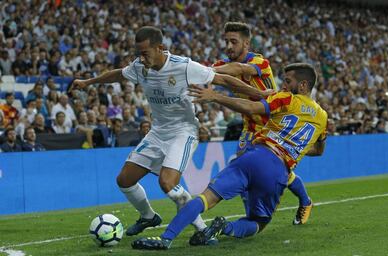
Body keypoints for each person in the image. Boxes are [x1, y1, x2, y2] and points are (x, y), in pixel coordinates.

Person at [72, 26, 269, 238]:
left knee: (167, 182)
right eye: (138, 53)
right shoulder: (140, 66)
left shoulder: (184, 66)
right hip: (157, 132)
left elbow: (224, 79)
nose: (141, 58)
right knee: (124, 180)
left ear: (160, 48)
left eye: (145, 53)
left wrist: (261, 94)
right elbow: (118, 74)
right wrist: (88, 82)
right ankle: (148, 216)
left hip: (184, 131)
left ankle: (203, 230)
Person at [131, 63, 327, 250]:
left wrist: (216, 96)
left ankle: (165, 239)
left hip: (253, 156)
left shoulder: (288, 99)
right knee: (258, 222)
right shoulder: (323, 117)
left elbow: (251, 108)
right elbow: (318, 151)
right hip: (278, 169)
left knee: (205, 199)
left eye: (288, 81)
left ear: (303, 85)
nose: (284, 85)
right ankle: (225, 227)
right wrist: (293, 148)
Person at [213, 21, 314, 225]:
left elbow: (238, 69)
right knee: (243, 165)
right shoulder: (223, 65)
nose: (229, 46)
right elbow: (213, 74)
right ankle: (252, 214)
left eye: (234, 41)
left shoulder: (260, 63)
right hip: (249, 126)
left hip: (273, 126)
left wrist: (207, 70)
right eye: (226, 42)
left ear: (247, 43)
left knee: (282, 172)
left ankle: (305, 201)